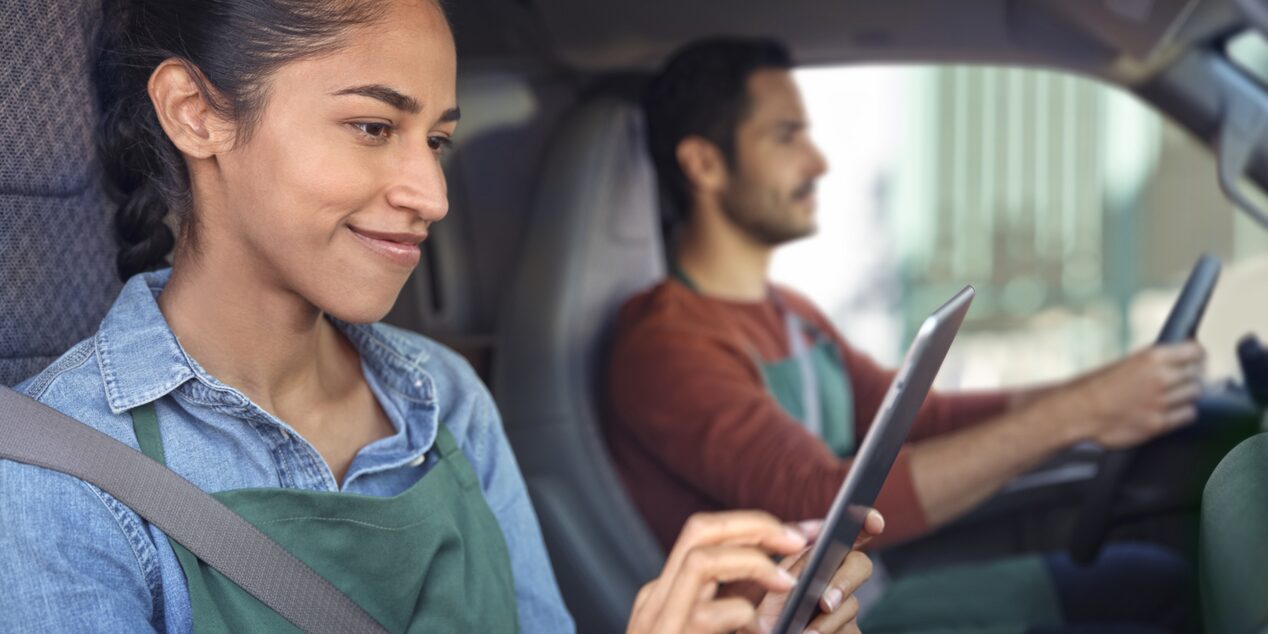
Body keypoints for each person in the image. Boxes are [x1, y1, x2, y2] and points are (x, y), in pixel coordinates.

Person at [0, 4, 876, 633]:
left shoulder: (442, 400)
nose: (432, 195)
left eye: (437, 140)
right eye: (375, 126)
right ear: (196, 114)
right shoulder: (59, 482)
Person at [604, 37, 1203, 631]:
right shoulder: (663, 345)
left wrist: (1107, 390)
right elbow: (818, 502)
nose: (818, 162)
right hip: (800, 618)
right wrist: (1081, 413)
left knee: (1151, 577)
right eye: (786, 136)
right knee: (1154, 586)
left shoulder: (792, 313)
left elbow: (917, 418)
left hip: (865, 587)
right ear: (703, 164)